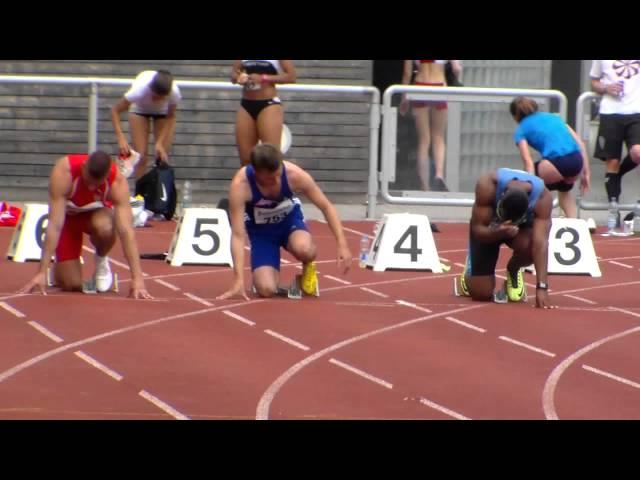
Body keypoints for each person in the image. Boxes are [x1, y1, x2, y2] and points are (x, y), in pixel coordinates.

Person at [217, 144, 352, 300]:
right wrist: (238, 280)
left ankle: (308, 267)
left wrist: (342, 244)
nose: (276, 180)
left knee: (304, 249)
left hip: (289, 223)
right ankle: (266, 279)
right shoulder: (241, 186)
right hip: (262, 233)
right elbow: (238, 235)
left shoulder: (294, 174)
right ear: (256, 172)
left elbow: (326, 206)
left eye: (278, 174)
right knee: (266, 290)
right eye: (270, 178)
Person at [18, 151, 153, 299]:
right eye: (88, 181)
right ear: (83, 168)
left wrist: (138, 278)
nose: (90, 187)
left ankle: (101, 261)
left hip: (95, 218)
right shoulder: (64, 171)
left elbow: (126, 231)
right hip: (67, 221)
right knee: (71, 284)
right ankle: (59, 269)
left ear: (107, 175)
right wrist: (41, 271)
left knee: (106, 226)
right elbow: (55, 224)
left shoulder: (117, 182)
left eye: (96, 184)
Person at [454, 167, 554, 309]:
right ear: (501, 197)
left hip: (521, 229)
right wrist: (499, 232)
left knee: (531, 246)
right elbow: (478, 229)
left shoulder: (543, 197)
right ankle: (470, 270)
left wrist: (542, 287)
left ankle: (513, 270)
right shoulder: (487, 185)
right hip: (489, 227)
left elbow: (541, 243)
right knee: (481, 294)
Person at [510, 96, 591, 218]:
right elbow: (580, 143)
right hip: (576, 162)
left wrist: (530, 185)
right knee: (564, 190)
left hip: (557, 163)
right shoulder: (554, 118)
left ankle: (532, 221)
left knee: (528, 185)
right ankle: (573, 222)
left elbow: (528, 162)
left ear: (515, 116)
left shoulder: (521, 129)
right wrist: (586, 173)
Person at [399, 60, 462, 192]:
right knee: (438, 136)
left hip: (420, 86)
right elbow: (456, 68)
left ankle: (424, 186)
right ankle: (439, 174)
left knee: (424, 140)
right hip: (439, 86)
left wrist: (404, 98)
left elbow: (407, 73)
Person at [590, 60, 640, 221]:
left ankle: (620, 176)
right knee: (612, 161)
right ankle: (614, 209)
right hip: (610, 112)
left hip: (636, 111)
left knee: (638, 152)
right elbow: (594, 82)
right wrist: (606, 88)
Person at [111, 70, 181, 179]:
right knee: (141, 157)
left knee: (162, 156)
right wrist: (121, 138)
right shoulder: (139, 90)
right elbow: (115, 110)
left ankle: (160, 192)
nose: (155, 100)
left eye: (159, 98)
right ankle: (139, 193)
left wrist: (159, 143)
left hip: (162, 113)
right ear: (150, 89)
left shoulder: (174, 93)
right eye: (154, 96)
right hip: (139, 110)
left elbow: (170, 116)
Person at [230, 60, 297, 166]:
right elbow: (233, 75)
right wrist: (239, 77)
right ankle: (250, 181)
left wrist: (263, 78)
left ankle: (276, 181)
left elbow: (291, 76)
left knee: (271, 159)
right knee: (246, 160)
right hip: (246, 104)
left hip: (268, 104)